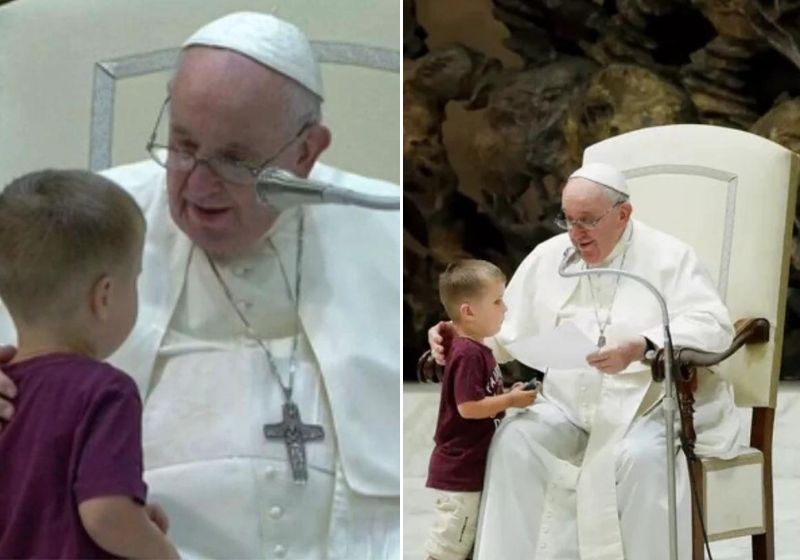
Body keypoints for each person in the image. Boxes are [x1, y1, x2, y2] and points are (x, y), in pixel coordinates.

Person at [0, 12, 399, 559]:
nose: (200, 185)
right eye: (184, 147)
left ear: (305, 153)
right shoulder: (93, 220)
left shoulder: (384, 223)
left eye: (235, 159)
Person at [427, 162, 741, 559]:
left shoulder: (670, 257)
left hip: (646, 408)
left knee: (640, 459)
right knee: (515, 441)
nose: (575, 234)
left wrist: (642, 345)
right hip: (570, 406)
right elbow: (503, 330)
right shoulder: (551, 257)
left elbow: (713, 325)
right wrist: (457, 334)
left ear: (622, 215)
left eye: (587, 221)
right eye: (568, 220)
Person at [0, 169, 179, 559]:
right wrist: (161, 551)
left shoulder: (6, 393)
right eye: (136, 279)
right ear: (105, 295)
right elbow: (105, 515)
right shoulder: (106, 391)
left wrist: (134, 516)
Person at [425, 260, 536, 560]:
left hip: (473, 464)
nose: (506, 309)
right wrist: (510, 402)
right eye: (498, 301)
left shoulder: (480, 349)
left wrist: (505, 393)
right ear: (468, 312)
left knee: (470, 540)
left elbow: (480, 394)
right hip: (460, 468)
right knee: (450, 545)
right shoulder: (467, 354)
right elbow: (469, 407)